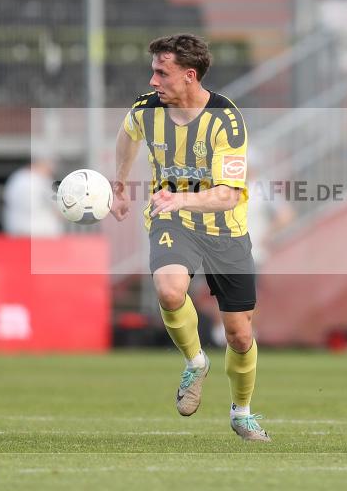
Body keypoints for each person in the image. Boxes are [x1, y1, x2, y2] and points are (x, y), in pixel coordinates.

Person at [111, 34, 270, 442]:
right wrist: (120, 183)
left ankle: (242, 412)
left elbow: (229, 194)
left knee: (239, 334)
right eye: (153, 71)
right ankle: (195, 361)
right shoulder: (146, 110)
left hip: (224, 229)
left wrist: (180, 199)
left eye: (161, 73)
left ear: (189, 75)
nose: (153, 81)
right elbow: (127, 135)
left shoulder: (226, 119)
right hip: (171, 219)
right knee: (169, 291)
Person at [2, 156, 63, 237]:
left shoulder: (16, 178)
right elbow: (59, 210)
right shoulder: (42, 180)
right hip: (42, 234)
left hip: (16, 230)